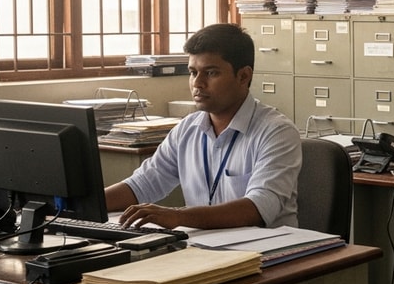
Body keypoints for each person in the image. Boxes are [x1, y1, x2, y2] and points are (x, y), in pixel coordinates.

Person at [108, 23, 301, 230]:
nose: (197, 83)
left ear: (243, 76)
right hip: (202, 249)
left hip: (266, 252)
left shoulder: (277, 132)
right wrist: (79, 203)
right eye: (193, 72)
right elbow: (142, 185)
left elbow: (257, 208)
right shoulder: (186, 129)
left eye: (210, 73)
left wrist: (177, 216)